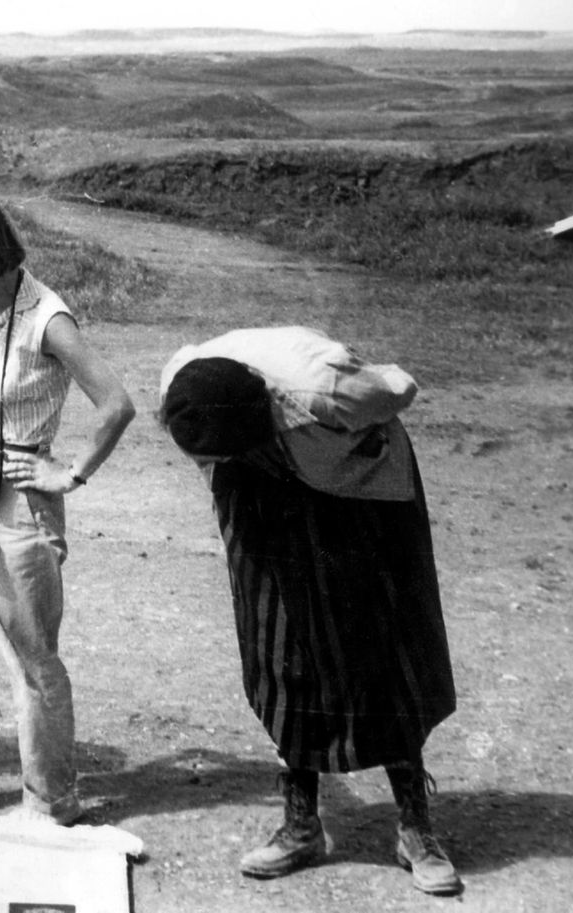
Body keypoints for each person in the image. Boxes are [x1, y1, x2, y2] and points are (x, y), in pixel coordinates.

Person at [158, 325, 462, 896]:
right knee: (277, 646)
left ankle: (416, 827)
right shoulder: (184, 386)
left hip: (358, 488)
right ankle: (301, 825)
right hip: (260, 481)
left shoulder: (323, 390)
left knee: (380, 644)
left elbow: (400, 387)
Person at [0, 192, 135, 824]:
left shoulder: (48, 317)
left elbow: (117, 405)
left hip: (20, 499)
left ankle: (50, 800)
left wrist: (68, 473)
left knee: (32, 659)